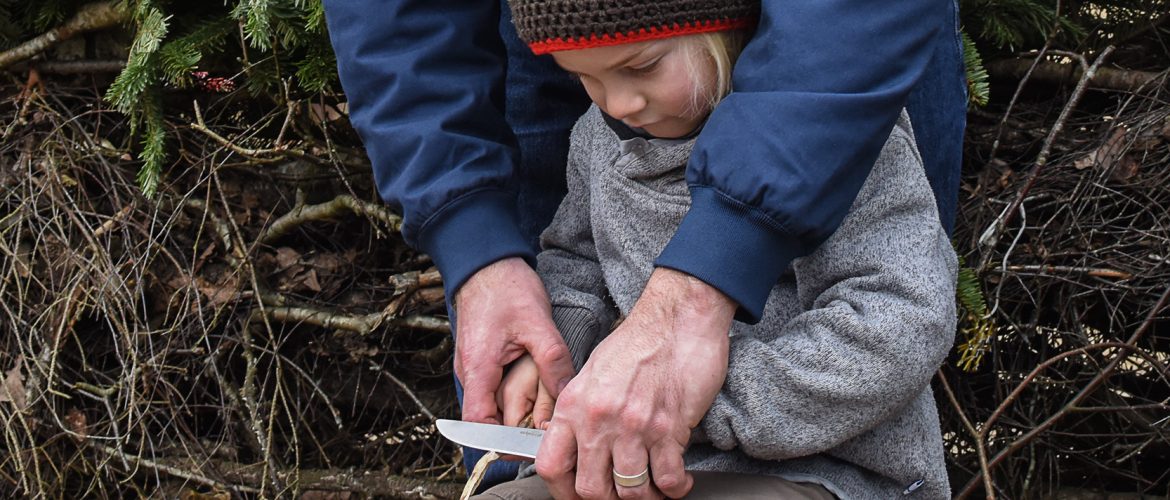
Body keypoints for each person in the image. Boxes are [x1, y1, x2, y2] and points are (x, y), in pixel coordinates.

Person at [322, 0, 966, 492]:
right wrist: (555, 373)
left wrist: (691, 403)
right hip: (642, 468)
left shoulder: (851, 156)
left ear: (723, 27)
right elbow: (577, 265)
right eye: (583, 79)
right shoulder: (600, 139)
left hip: (827, 471)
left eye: (641, 67)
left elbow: (903, 316)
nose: (619, 103)